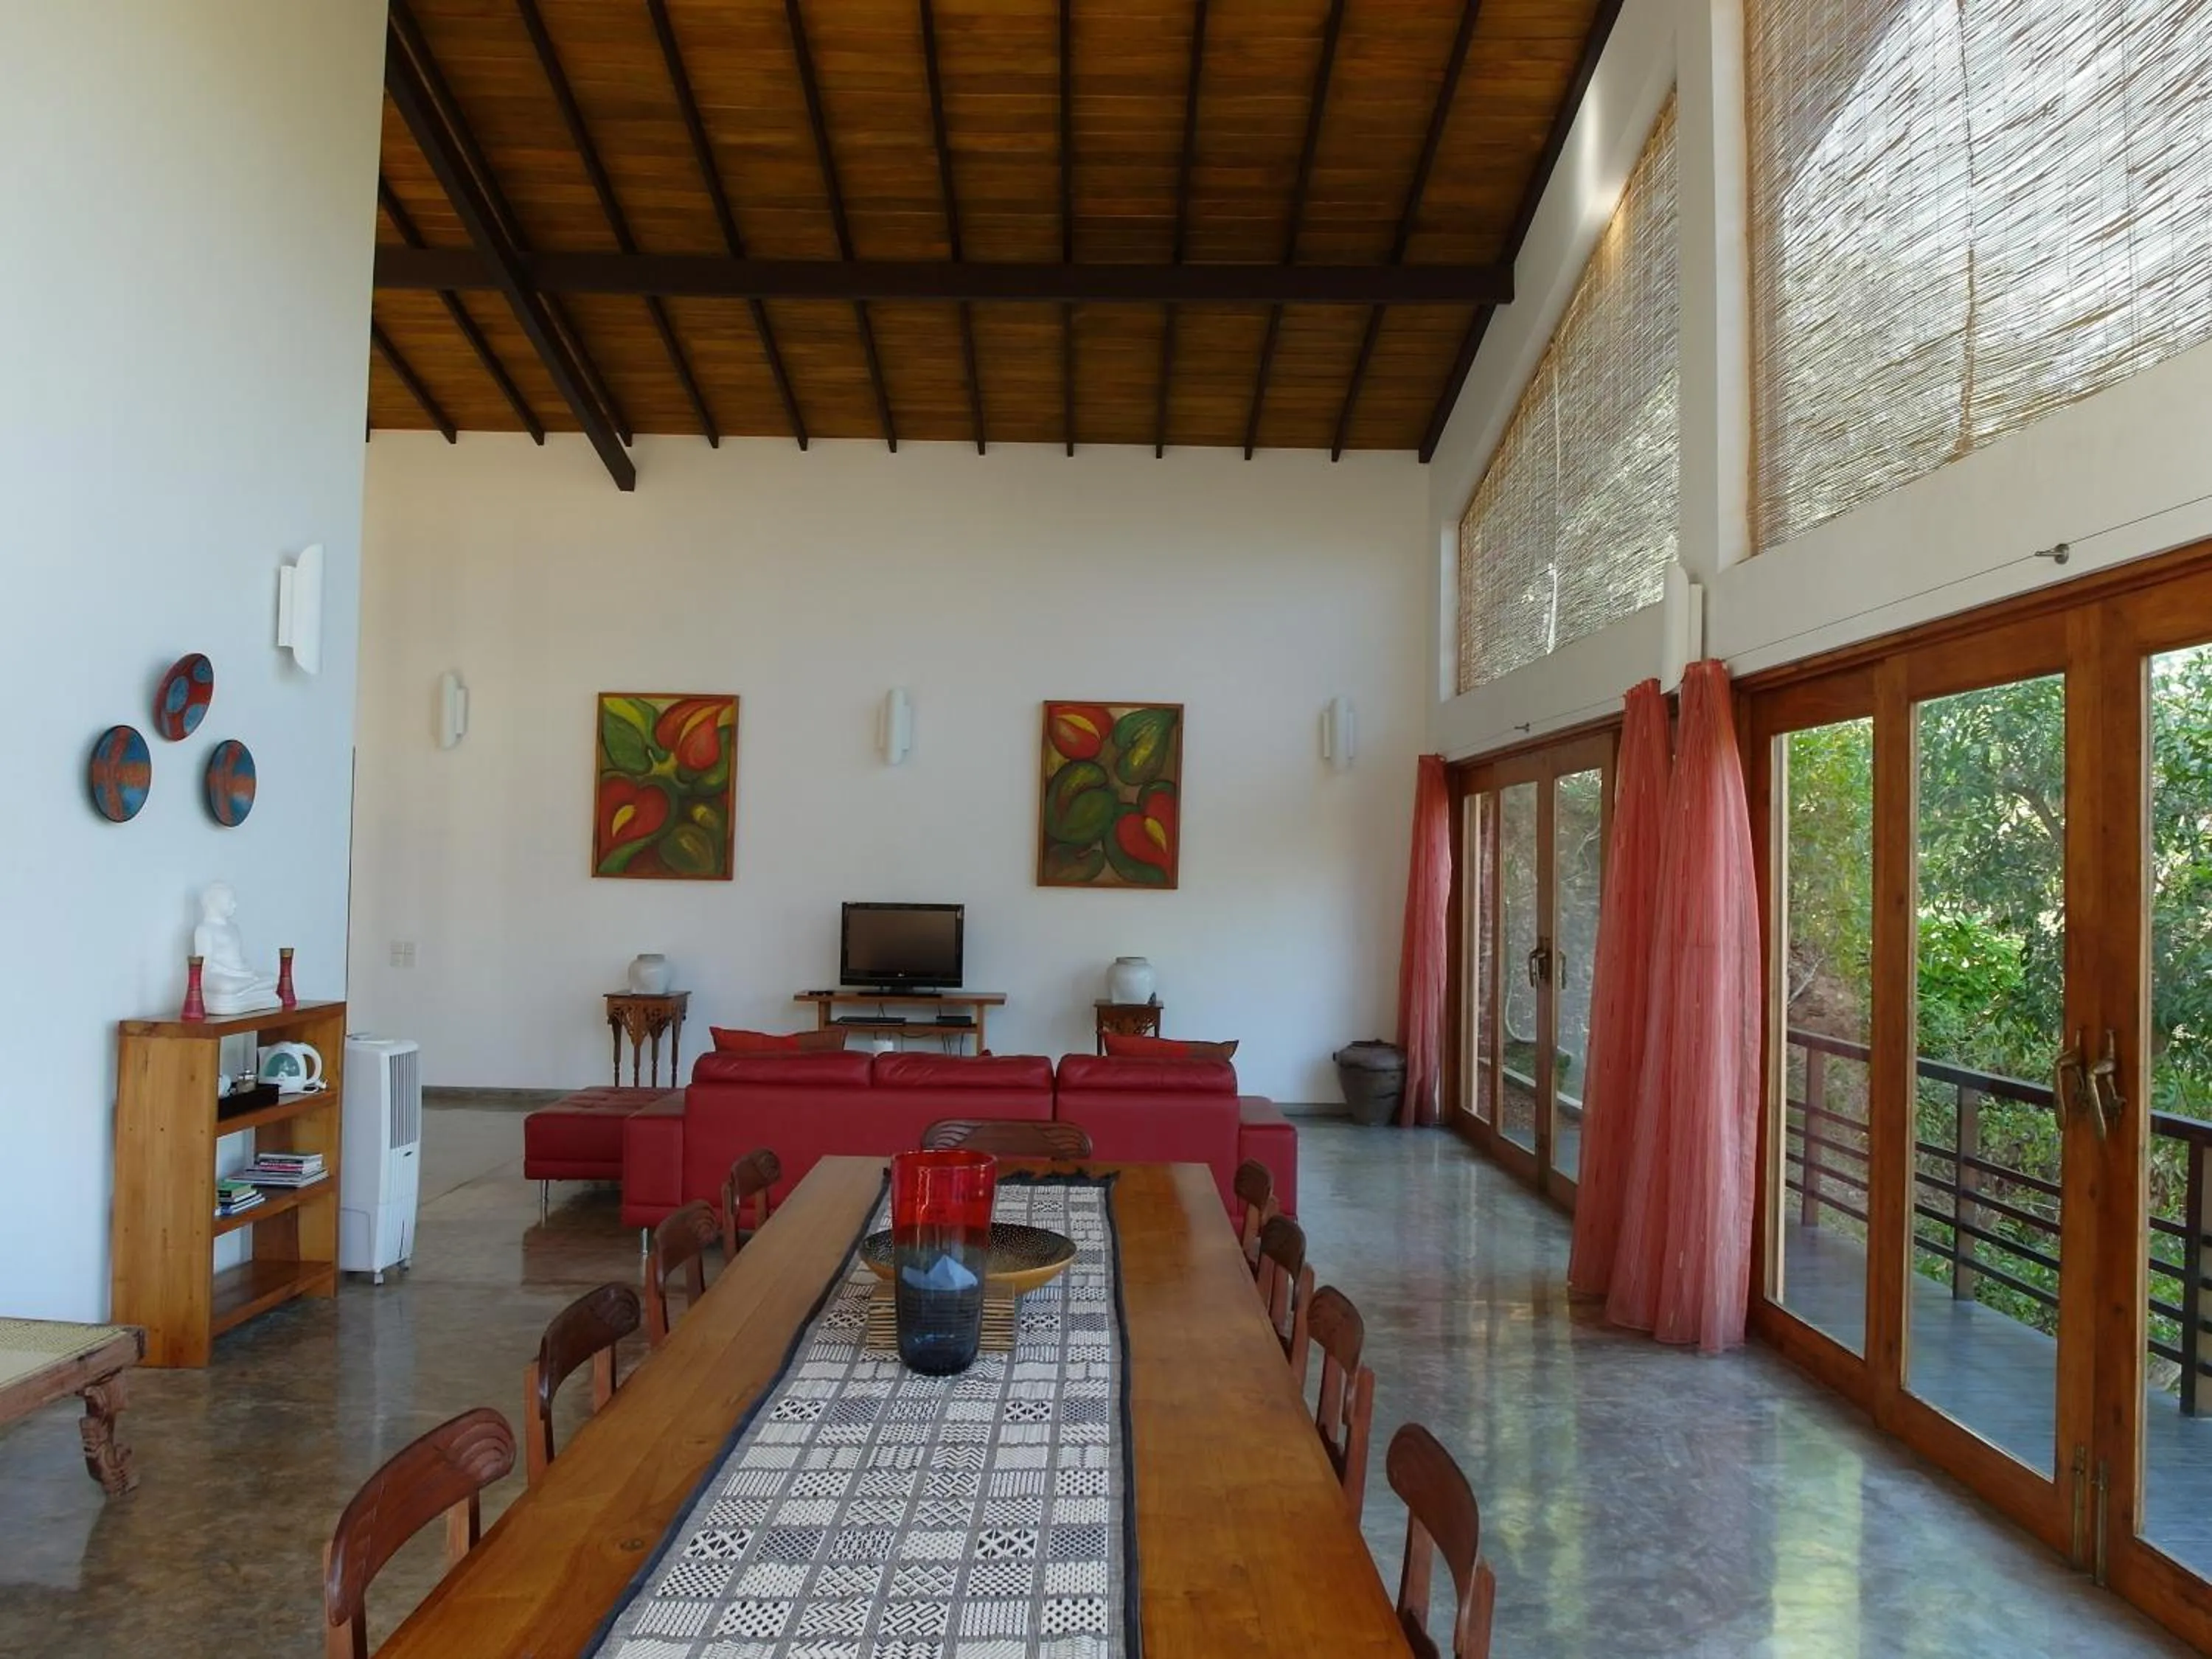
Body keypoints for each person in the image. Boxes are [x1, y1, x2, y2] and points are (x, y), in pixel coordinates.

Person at [193, 882, 279, 1015]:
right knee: (226, 987)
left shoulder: (234, 928)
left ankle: (246, 987)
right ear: (214, 903)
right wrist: (236, 975)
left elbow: (237, 958)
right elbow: (206, 967)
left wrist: (245, 971)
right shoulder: (205, 930)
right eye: (230, 901)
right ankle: (247, 987)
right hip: (222, 977)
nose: (235, 905)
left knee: (273, 979)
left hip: (242, 975)